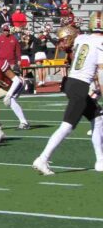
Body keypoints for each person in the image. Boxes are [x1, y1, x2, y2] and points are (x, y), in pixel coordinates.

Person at [33, 21, 103, 175]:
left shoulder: (83, 38)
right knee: (67, 126)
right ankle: (43, 159)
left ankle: (100, 160)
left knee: (97, 117)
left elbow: (70, 43)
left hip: (72, 82)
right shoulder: (99, 42)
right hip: (80, 86)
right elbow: (101, 71)